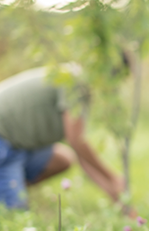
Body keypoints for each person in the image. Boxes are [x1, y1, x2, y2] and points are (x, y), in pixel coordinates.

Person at [0, 65, 126, 210]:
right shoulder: (74, 83)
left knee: (63, 159)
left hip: (20, 146)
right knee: (17, 212)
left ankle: (12, 186)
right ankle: (10, 191)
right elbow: (77, 141)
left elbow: (81, 155)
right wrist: (112, 177)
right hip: (4, 143)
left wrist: (113, 192)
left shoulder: (79, 81)